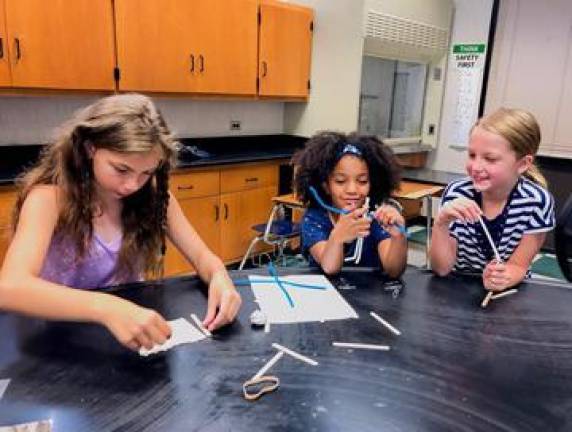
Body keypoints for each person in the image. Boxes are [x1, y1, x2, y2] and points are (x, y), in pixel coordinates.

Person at [0, 94, 241, 352]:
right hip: (57, 340)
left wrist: (220, 278)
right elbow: (10, 288)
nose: (132, 185)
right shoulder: (49, 200)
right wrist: (106, 308)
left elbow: (203, 256)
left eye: (146, 173)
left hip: (125, 340)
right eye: (121, 169)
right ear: (89, 148)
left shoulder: (156, 198)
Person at [430, 108, 555, 291]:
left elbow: (519, 266)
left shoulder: (536, 201)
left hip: (509, 291)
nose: (476, 167)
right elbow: (441, 269)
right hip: (459, 287)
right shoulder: (457, 193)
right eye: (472, 155)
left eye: (490, 159)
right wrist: (441, 223)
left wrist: (503, 277)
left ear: (522, 164)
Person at [292, 131, 407, 277]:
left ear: (373, 183)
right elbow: (329, 268)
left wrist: (398, 238)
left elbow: (394, 270)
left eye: (362, 181)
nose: (352, 190)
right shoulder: (314, 218)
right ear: (326, 186)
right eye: (340, 181)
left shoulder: (376, 217)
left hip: (369, 296)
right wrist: (337, 236)